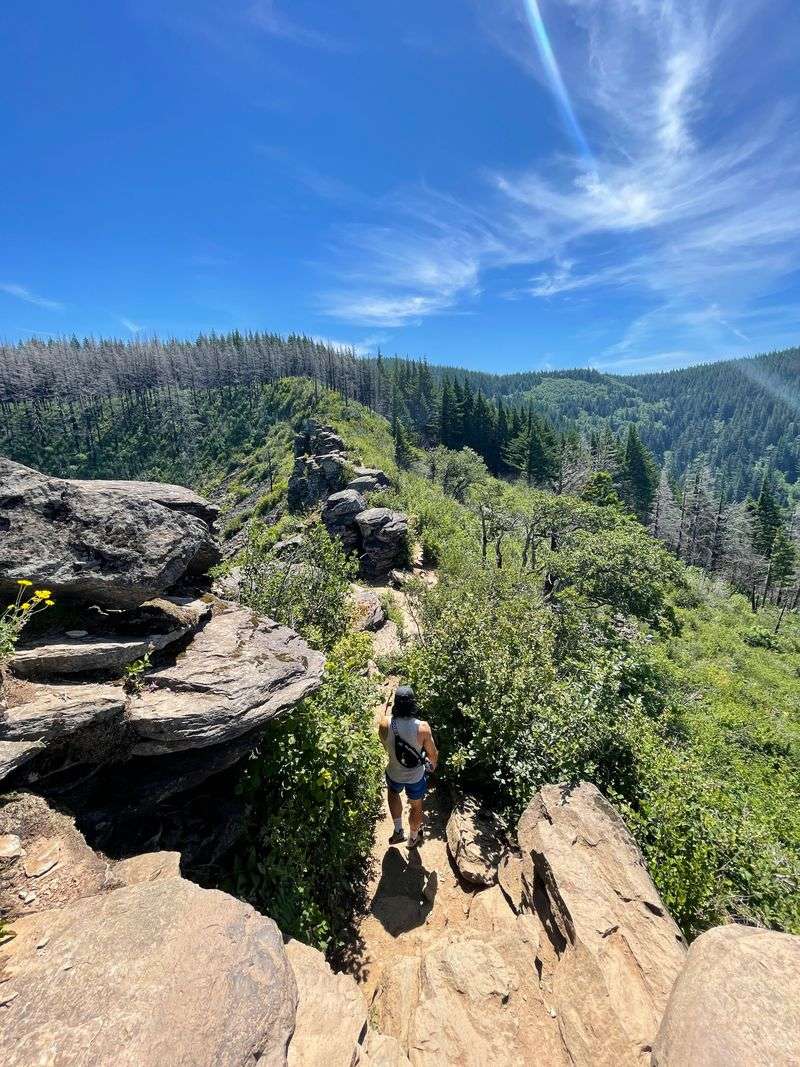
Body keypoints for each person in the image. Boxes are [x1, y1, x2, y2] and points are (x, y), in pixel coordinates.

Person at [379, 685, 438, 847]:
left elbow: (385, 746)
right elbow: (433, 754)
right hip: (416, 776)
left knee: (393, 793)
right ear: (413, 704)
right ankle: (413, 838)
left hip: (394, 772)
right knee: (416, 806)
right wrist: (432, 766)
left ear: (395, 703)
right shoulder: (423, 727)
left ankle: (398, 831)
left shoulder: (385, 723)